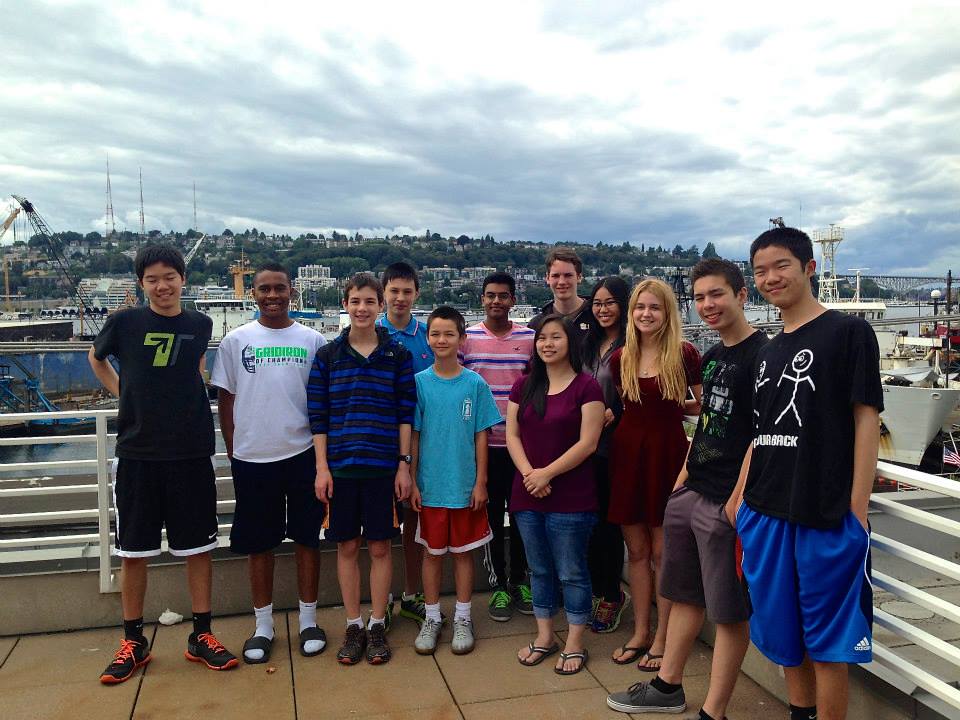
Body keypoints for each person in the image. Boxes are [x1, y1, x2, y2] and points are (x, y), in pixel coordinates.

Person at [727, 228, 882, 720]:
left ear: (809, 268)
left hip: (825, 512)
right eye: (760, 271)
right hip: (765, 511)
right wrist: (740, 498)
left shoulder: (848, 333)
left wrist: (857, 508)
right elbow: (761, 431)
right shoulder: (768, 351)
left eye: (781, 266)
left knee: (829, 644)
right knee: (783, 637)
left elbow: (866, 417)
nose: (770, 278)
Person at [607, 258, 765, 717]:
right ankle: (667, 685)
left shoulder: (761, 356)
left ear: (742, 295)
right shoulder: (713, 357)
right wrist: (682, 483)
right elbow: (709, 423)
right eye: (700, 297)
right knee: (684, 590)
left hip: (721, 495)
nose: (708, 304)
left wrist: (736, 498)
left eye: (716, 294)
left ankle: (713, 710)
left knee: (727, 608)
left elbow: (762, 433)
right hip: (689, 484)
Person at [90, 244, 238, 684]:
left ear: (183, 279)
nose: (162, 286)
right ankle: (133, 641)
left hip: (191, 450)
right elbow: (96, 358)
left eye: (169, 277)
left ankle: (202, 634)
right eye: (152, 279)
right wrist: (125, 396)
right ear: (141, 284)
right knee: (133, 552)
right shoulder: (125, 322)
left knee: (199, 548)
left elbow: (195, 369)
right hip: (138, 453)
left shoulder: (200, 323)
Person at [210, 262, 328, 664]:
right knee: (258, 544)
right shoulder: (235, 341)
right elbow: (226, 400)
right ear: (253, 293)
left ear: (292, 291)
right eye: (264, 289)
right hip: (253, 458)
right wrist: (233, 447)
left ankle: (308, 620)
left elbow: (321, 400)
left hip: (304, 453)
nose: (272, 295)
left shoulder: (313, 340)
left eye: (280, 288)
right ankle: (263, 625)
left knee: (307, 539)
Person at [307, 272, 416, 666]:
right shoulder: (328, 356)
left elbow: (406, 414)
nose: (362, 308)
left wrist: (403, 466)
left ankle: (377, 623)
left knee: (382, 546)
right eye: (355, 301)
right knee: (348, 546)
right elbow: (318, 416)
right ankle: (353, 625)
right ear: (345, 304)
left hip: (383, 468)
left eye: (370, 301)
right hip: (341, 468)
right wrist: (322, 468)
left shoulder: (397, 356)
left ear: (380, 306)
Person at [608, 278, 702, 671]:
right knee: (637, 551)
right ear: (632, 313)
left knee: (664, 553)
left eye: (655, 307)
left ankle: (663, 636)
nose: (646, 314)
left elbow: (702, 406)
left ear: (667, 313)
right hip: (629, 454)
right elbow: (627, 404)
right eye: (640, 307)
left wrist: (674, 404)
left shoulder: (684, 353)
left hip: (667, 455)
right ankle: (641, 630)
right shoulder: (621, 357)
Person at [507, 314, 605, 675]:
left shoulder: (586, 387)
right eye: (542, 338)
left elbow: (589, 443)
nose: (547, 344)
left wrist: (546, 473)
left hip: (572, 495)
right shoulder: (523, 386)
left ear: (571, 343)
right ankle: (545, 636)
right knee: (539, 569)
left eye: (555, 337)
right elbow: (512, 435)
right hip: (527, 493)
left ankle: (575, 641)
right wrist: (530, 475)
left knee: (571, 571)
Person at [410, 306, 502, 655]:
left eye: (449, 333)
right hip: (431, 486)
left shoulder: (474, 384)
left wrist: (481, 482)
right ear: (428, 338)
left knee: (464, 555)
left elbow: (481, 435)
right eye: (435, 333)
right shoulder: (419, 383)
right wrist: (413, 480)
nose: (442, 340)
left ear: (462, 339)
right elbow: (414, 435)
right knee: (432, 555)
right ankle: (432, 616)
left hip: (464, 486)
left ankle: (463, 616)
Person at [460, 272, 535, 622]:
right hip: (483, 446)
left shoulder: (529, 338)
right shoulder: (468, 339)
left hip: (521, 446)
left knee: (522, 517)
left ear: (513, 300)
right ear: (482, 299)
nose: (496, 301)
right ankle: (499, 586)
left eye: (503, 296)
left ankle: (520, 581)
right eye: (490, 295)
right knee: (489, 518)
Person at [375, 262, 434, 628]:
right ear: (384, 293)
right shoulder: (369, 333)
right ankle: (382, 599)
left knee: (414, 522)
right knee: (381, 527)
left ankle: (412, 594)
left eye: (406, 292)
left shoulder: (428, 336)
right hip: (380, 443)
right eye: (393, 291)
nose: (400, 298)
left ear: (416, 294)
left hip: (421, 444)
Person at [582, 276, 629, 633]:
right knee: (589, 524)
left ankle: (612, 594)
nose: (602, 309)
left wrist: (618, 411)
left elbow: (642, 393)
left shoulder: (634, 343)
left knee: (610, 525)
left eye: (610, 302)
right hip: (584, 447)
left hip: (616, 447)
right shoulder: (587, 343)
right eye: (597, 303)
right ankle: (596, 589)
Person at [528, 247, 594, 345]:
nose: (562, 282)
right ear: (547, 278)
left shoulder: (596, 319)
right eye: (556, 276)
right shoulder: (536, 325)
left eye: (568, 275)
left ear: (579, 277)